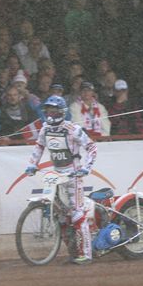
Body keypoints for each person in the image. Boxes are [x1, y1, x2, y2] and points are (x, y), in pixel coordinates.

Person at [25, 96, 98, 265]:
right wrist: (32, 164)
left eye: (54, 111)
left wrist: (87, 167)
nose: (50, 114)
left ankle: (86, 254)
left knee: (77, 213)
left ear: (61, 112)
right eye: (48, 111)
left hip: (73, 175)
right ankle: (73, 251)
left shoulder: (73, 129)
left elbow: (92, 147)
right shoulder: (45, 128)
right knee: (62, 216)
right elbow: (39, 146)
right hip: (57, 175)